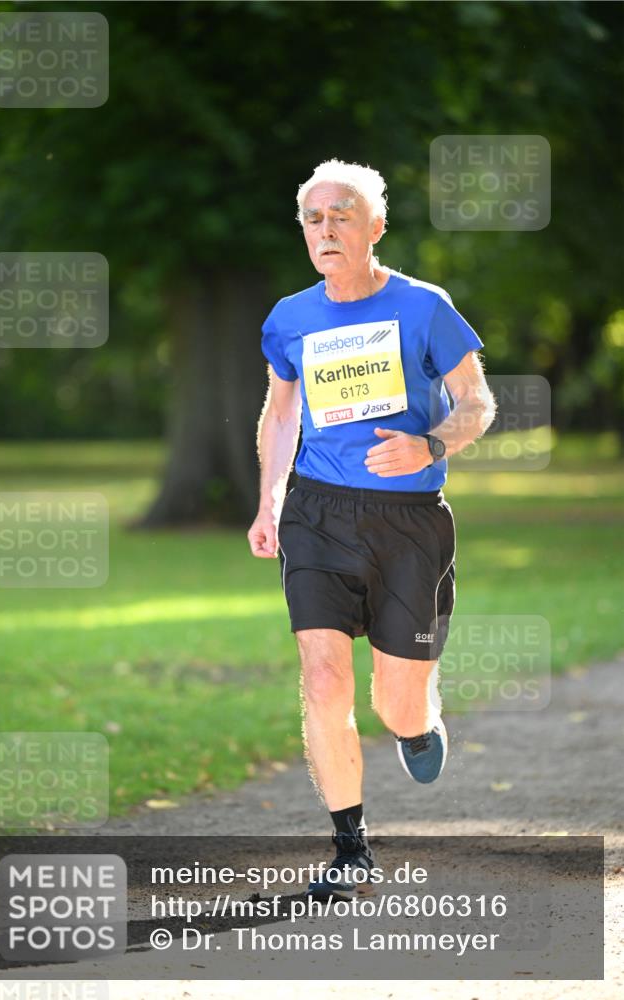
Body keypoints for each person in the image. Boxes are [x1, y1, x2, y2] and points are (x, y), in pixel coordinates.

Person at [247, 159, 496, 899]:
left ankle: (417, 723)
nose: (326, 229)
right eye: (314, 219)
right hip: (318, 513)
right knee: (323, 678)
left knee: (395, 702)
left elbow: (477, 402)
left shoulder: (423, 308)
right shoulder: (289, 318)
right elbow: (282, 412)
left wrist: (432, 443)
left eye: (342, 216)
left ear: (375, 228)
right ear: (303, 232)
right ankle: (349, 846)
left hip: (408, 521)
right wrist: (268, 501)